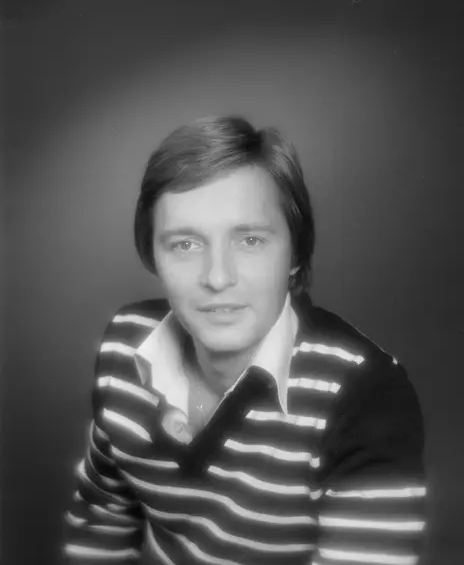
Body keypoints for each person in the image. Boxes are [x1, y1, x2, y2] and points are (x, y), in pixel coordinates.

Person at [62, 116, 427, 565]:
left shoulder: (366, 395)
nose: (218, 278)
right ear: (152, 254)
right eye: (185, 244)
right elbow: (102, 520)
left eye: (250, 240)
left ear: (295, 255)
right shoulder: (126, 345)